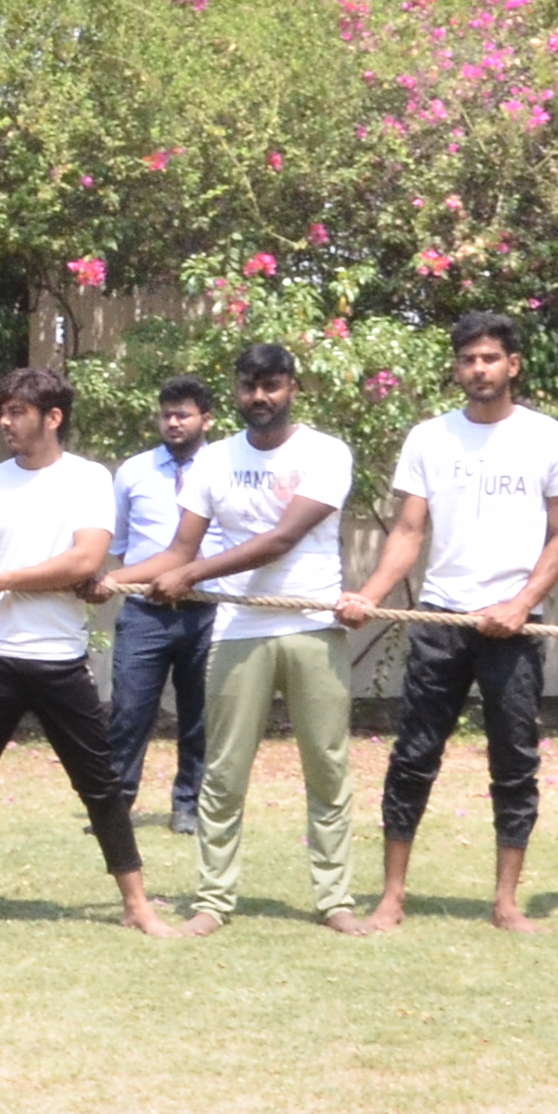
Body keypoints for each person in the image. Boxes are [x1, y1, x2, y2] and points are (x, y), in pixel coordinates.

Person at [338, 312, 558, 932]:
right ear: (458, 367)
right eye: (468, 359)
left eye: (490, 358)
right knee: (413, 755)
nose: (479, 369)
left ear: (513, 365)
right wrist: (369, 594)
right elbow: (408, 531)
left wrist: (519, 602)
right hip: (441, 618)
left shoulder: (549, 438)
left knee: (515, 760)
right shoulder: (429, 438)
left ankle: (505, 902)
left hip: (516, 626)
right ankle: (392, 897)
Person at [0, 368, 171, 937]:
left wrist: (1, 579)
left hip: (59, 658)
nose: (6, 423)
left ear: (52, 418)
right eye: (2, 413)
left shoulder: (87, 480)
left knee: (101, 784)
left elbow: (85, 563)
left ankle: (137, 905)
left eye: (18, 412)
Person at [157, 342, 368, 936]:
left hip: (312, 624)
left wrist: (189, 576)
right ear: (236, 390)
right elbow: (178, 551)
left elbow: (281, 539)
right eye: (250, 385)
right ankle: (213, 899)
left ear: (292, 389)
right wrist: (106, 579)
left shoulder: (326, 452)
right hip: (237, 630)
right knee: (223, 771)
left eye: (271, 385)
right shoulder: (213, 461)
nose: (260, 397)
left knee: (326, 767)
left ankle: (336, 899)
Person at [99, 378, 221, 851]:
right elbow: (121, 545)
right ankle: (115, 805)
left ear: (205, 420)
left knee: (200, 716)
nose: (173, 422)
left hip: (208, 610)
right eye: (167, 414)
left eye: (184, 414)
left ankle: (188, 805)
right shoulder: (133, 471)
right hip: (145, 613)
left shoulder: (224, 467)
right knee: (129, 710)